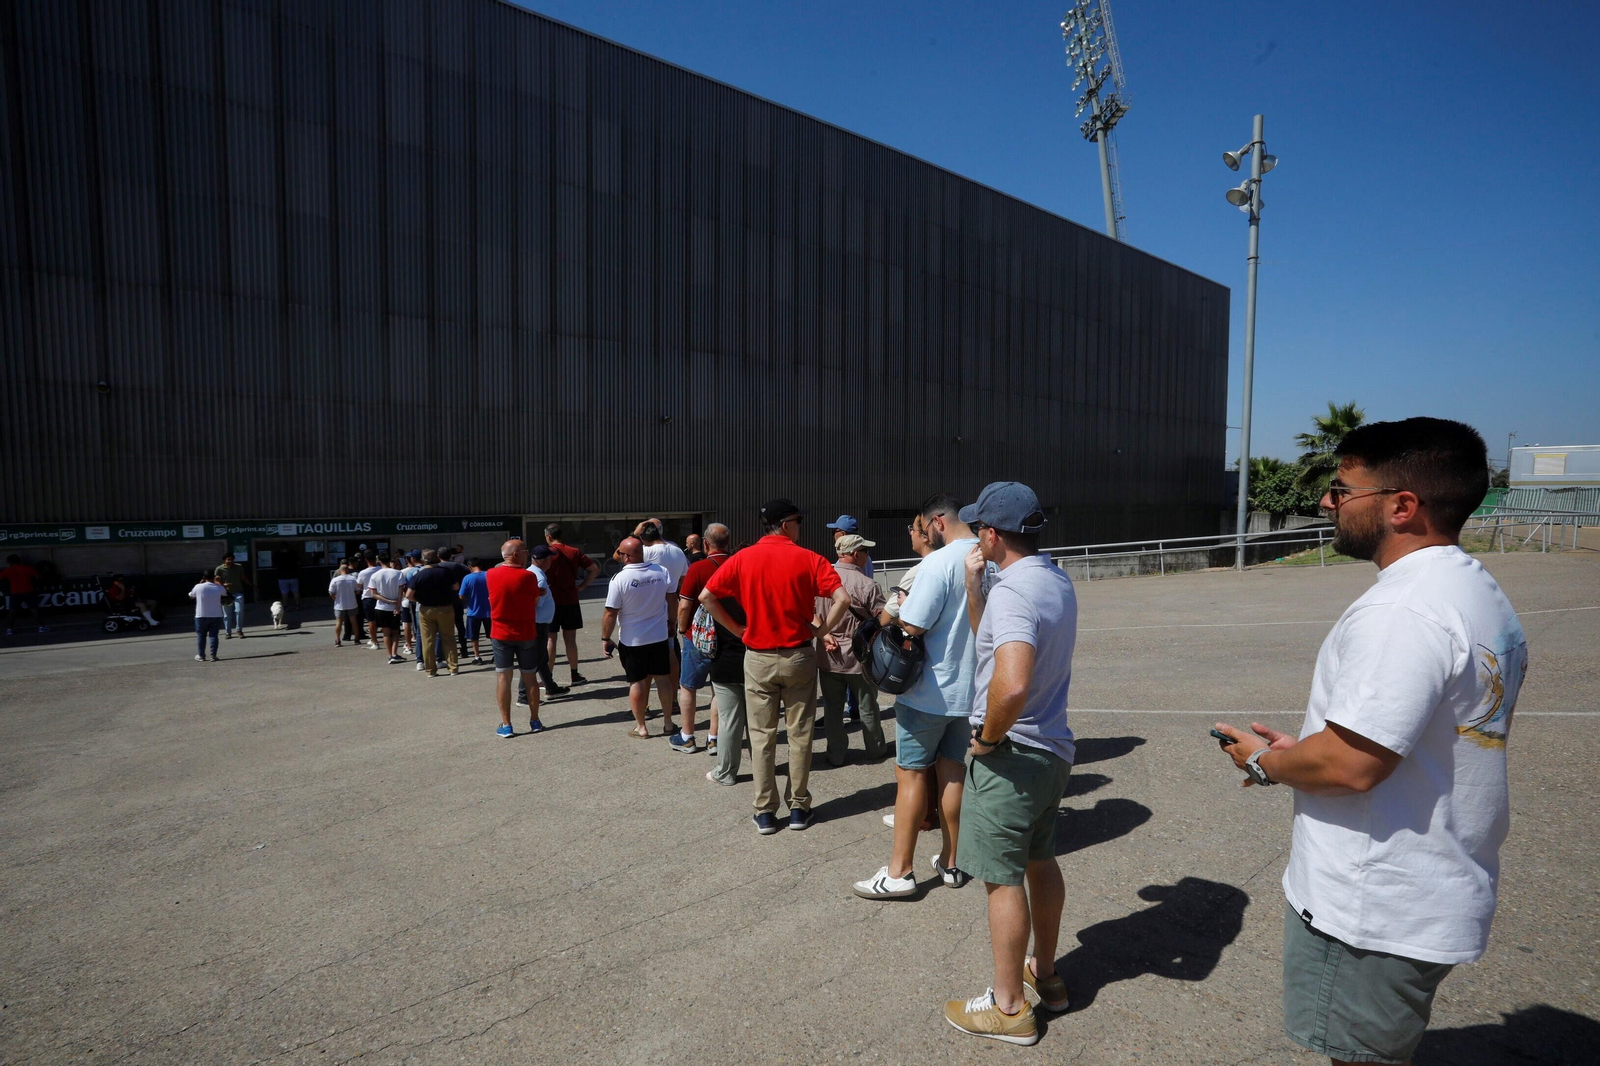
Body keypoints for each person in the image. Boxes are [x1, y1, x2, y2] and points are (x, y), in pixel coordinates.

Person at [1215, 418, 1525, 1066]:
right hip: (1429, 888)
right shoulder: (1474, 590)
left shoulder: (1402, 610)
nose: (1328, 502)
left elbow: (1352, 765)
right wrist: (1311, 744)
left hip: (1372, 907)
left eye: (1341, 489)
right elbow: (1405, 737)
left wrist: (1268, 761)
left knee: (1355, 1056)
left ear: (1402, 506)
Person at [940, 481, 1074, 1046]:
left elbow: (1010, 681)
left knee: (1001, 880)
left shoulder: (1014, 593)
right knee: (1040, 861)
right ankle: (1046, 975)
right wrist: (976, 587)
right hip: (1050, 750)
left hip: (1012, 753)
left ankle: (1009, 1007)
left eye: (979, 528)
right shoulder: (1052, 578)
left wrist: (988, 739)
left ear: (992, 534)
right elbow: (991, 645)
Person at [854, 493, 980, 900]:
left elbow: (912, 625)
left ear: (937, 521)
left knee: (909, 775)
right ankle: (952, 861)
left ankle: (900, 872)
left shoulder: (937, 564)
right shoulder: (987, 558)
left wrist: (905, 608)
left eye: (923, 527)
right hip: (970, 690)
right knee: (953, 773)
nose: (923, 533)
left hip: (928, 692)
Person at [699, 498, 850, 835]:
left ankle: (765, 811)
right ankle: (798, 806)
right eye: (798, 520)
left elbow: (706, 597)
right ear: (786, 524)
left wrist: (737, 629)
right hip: (798, 654)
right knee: (800, 734)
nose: (800, 526)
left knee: (762, 736)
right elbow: (843, 599)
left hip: (758, 656)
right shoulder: (809, 558)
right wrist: (822, 630)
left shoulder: (743, 558)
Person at [880, 513, 940, 836]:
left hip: (921, 678)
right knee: (948, 766)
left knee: (913, 766)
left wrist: (899, 608)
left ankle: (917, 817)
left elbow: (886, 617)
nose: (909, 534)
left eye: (912, 529)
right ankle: (936, 820)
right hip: (958, 682)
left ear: (926, 534)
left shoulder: (918, 573)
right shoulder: (961, 565)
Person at [815, 534, 888, 766]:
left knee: (832, 708)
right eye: (865, 551)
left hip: (827, 654)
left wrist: (825, 634)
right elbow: (882, 618)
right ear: (856, 554)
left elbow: (810, 613)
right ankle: (875, 749)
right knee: (867, 706)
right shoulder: (867, 584)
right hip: (859, 657)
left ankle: (835, 754)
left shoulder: (820, 579)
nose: (867, 556)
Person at [601, 537, 675, 739]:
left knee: (637, 682)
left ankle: (641, 727)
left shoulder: (619, 579)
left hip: (633, 640)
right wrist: (672, 623)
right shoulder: (661, 572)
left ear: (625, 557)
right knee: (663, 680)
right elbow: (671, 599)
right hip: (658, 636)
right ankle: (668, 722)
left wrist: (605, 638)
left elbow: (610, 612)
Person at [669, 523, 732, 753]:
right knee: (719, 687)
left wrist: (682, 628)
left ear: (706, 544)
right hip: (729, 635)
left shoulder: (698, 568)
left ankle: (687, 736)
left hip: (698, 636)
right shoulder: (739, 565)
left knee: (688, 686)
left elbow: (684, 605)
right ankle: (714, 738)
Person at [487, 539, 548, 737]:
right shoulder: (528, 576)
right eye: (525, 551)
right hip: (525, 632)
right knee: (529, 677)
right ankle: (535, 720)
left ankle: (506, 724)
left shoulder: (491, 574)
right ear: (515, 554)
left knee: (504, 677)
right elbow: (535, 601)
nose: (527, 555)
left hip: (500, 633)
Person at [638, 520, 689, 716]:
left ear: (644, 539)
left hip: (648, 610)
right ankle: (674, 699)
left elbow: (619, 555)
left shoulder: (645, 552)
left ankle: (645, 705)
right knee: (671, 652)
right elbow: (684, 579)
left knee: (646, 657)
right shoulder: (677, 550)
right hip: (670, 607)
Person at [544, 523, 600, 686]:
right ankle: (574, 674)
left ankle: (548, 677)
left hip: (550, 601)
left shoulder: (546, 553)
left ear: (548, 537)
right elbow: (594, 569)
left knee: (550, 639)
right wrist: (582, 586)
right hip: (570, 599)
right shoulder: (574, 551)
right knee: (570, 639)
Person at [524, 545, 569, 701]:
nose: (551, 561)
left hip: (538, 623)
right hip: (538, 624)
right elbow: (536, 603)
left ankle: (550, 687)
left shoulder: (532, 573)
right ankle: (523, 695)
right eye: (549, 558)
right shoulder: (539, 577)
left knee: (541, 658)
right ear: (544, 560)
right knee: (535, 660)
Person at [406, 550, 460, 676]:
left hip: (426, 608)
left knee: (428, 640)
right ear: (437, 557)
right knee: (448, 638)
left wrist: (419, 599)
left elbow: (409, 595)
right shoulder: (446, 572)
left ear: (423, 560)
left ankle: (430, 670)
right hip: (445, 607)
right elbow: (456, 587)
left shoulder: (419, 574)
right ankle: (453, 667)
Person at [367, 555, 408, 663]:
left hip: (381, 607)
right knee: (395, 632)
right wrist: (397, 605)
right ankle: (394, 654)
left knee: (386, 632)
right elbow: (401, 592)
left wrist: (388, 601)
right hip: (394, 607)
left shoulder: (375, 575)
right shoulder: (398, 573)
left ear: (379, 561)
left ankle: (390, 655)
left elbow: (373, 594)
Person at [438, 548, 471, 660]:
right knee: (460, 625)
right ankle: (464, 648)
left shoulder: (437, 567)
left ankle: (444, 652)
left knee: (443, 628)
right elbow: (468, 573)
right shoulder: (458, 566)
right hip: (457, 599)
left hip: (442, 601)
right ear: (451, 555)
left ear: (438, 556)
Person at [3, 554, 48, 635]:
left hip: (15, 593)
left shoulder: (8, 570)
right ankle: (42, 627)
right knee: (34, 610)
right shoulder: (28, 568)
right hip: (28, 591)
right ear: (19, 560)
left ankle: (10, 629)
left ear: (9, 562)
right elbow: (39, 578)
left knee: (12, 612)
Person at [188, 571, 227, 662]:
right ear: (214, 577)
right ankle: (213, 655)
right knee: (213, 635)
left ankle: (201, 656)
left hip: (201, 615)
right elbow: (225, 593)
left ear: (204, 578)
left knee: (201, 636)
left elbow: (191, 596)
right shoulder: (218, 587)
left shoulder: (198, 586)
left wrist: (200, 583)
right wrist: (219, 582)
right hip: (216, 615)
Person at [459, 559, 492, 665]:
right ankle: (496, 655)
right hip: (489, 611)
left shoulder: (467, 578)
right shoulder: (489, 575)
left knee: (474, 636)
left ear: (470, 567)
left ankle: (477, 657)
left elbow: (462, 595)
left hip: (473, 612)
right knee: (492, 635)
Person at [214, 553, 249, 639]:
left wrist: (251, 584)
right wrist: (223, 584)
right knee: (227, 614)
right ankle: (228, 632)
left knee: (239, 611)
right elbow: (216, 580)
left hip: (238, 592)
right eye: (228, 559)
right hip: (225, 594)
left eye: (231, 559)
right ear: (224, 560)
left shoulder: (238, 567)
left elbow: (243, 577)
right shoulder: (219, 569)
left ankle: (239, 630)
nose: (230, 561)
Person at [328, 563, 361, 647]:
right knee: (354, 621)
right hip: (352, 603)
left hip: (339, 604)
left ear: (340, 570)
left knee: (339, 621)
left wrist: (335, 599)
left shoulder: (335, 580)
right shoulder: (353, 579)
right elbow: (358, 591)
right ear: (348, 570)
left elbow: (331, 592)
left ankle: (338, 639)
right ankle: (356, 638)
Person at [356, 554, 383, 650]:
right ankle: (386, 638)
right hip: (381, 596)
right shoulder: (381, 569)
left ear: (366, 560)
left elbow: (359, 586)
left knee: (371, 620)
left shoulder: (363, 572)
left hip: (368, 597)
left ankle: (375, 641)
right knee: (382, 619)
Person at [275, 544, 301, 609]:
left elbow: (274, 564)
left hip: (282, 577)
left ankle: (285, 606)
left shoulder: (278, 555)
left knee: (284, 593)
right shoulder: (293, 553)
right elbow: (299, 563)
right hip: (293, 575)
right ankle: (297, 605)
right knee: (295, 591)